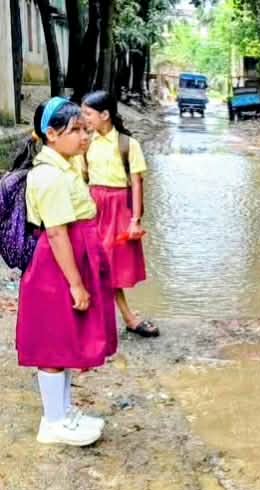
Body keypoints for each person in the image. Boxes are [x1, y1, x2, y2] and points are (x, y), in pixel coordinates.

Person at [14, 97, 117, 446]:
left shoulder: (63, 166)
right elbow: (57, 232)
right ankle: (53, 421)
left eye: (85, 129)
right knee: (53, 346)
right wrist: (76, 284)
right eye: (75, 131)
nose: (83, 137)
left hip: (67, 258)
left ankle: (64, 411)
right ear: (52, 135)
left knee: (65, 342)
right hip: (56, 267)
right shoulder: (49, 176)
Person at [79, 91, 160, 338]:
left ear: (105, 115)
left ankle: (121, 318)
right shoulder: (86, 142)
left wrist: (135, 220)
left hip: (118, 211)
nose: (84, 118)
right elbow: (82, 179)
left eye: (88, 114)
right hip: (92, 208)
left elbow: (136, 184)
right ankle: (126, 318)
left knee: (109, 267)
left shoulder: (128, 144)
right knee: (94, 265)